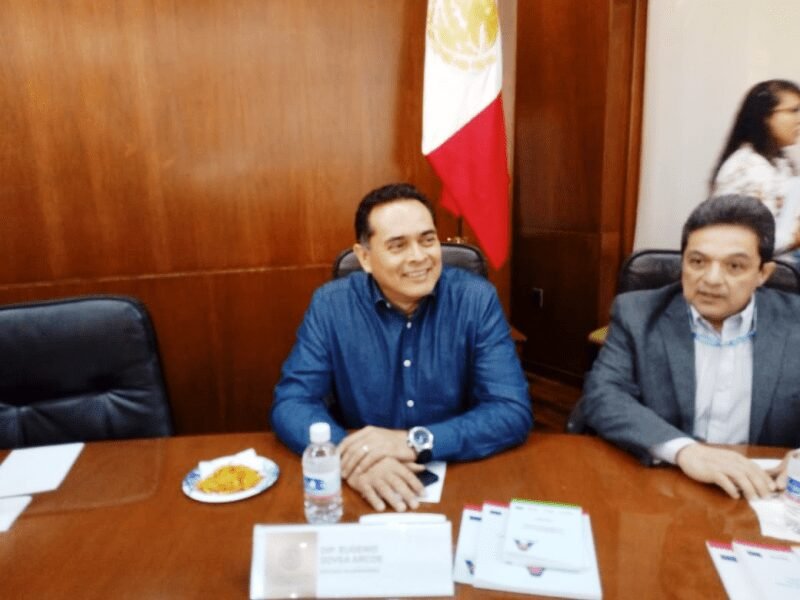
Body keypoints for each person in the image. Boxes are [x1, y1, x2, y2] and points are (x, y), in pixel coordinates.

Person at [271, 182, 532, 512]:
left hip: (459, 472)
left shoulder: (475, 299)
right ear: (365, 258)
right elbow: (292, 402)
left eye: (428, 240)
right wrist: (353, 455)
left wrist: (414, 442)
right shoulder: (331, 306)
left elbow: (511, 410)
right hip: (367, 482)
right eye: (398, 245)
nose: (419, 257)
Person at [575, 195, 800, 500]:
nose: (712, 279)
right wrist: (684, 451)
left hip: (765, 492)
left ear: (763, 273)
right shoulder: (637, 314)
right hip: (664, 484)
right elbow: (603, 395)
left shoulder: (794, 322)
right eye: (697, 262)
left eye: (734, 266)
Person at [711, 79, 800, 253]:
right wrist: (795, 238)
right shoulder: (746, 168)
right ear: (765, 117)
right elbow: (746, 242)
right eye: (793, 111)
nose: (799, 119)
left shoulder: (781, 162)